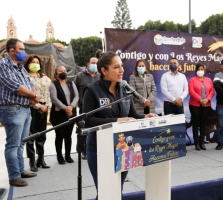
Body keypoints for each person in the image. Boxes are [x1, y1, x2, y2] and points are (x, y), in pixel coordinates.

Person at [82, 51, 157, 199]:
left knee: (117, 191)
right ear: (103, 70)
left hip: (123, 149)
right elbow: (88, 120)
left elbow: (133, 115)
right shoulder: (92, 90)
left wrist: (144, 116)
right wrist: (116, 121)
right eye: (116, 67)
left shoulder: (124, 89)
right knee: (106, 192)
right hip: (99, 149)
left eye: (121, 66)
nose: (122, 70)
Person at [0, 38, 40, 187]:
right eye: (21, 49)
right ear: (12, 50)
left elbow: (29, 84)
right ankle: (14, 176)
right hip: (12, 109)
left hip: (25, 109)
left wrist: (34, 94)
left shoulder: (20, 67)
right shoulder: (2, 66)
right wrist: (33, 96)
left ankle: (20, 170)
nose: (24, 52)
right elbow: (16, 87)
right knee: (13, 145)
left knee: (20, 143)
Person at [24, 55, 52, 171]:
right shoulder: (25, 77)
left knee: (41, 135)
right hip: (31, 109)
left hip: (44, 109)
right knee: (31, 136)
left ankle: (41, 159)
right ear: (28, 64)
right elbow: (26, 95)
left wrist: (46, 106)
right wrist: (39, 106)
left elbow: (48, 92)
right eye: (33, 62)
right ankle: (32, 161)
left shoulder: (44, 77)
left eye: (37, 62)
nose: (35, 64)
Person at [49, 66, 79, 164]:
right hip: (58, 115)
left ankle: (68, 155)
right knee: (60, 135)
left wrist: (71, 106)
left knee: (68, 135)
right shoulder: (53, 85)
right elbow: (54, 99)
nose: (63, 72)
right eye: (60, 71)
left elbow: (76, 96)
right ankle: (59, 156)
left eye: (64, 71)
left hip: (71, 113)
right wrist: (65, 108)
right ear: (56, 74)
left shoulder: (71, 83)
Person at [74, 57, 100, 159]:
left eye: (96, 63)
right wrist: (77, 102)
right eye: (93, 63)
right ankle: (83, 151)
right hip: (83, 108)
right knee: (83, 130)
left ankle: (93, 150)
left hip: (97, 109)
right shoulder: (80, 76)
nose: (95, 65)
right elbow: (74, 89)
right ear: (88, 64)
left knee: (94, 130)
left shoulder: (100, 76)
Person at [188, 63, 215, 150]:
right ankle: (196, 143)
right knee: (196, 124)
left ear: (204, 70)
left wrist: (207, 99)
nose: (200, 71)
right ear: (196, 70)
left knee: (203, 124)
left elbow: (212, 91)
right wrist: (200, 100)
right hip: (195, 105)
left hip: (207, 105)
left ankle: (202, 142)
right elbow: (191, 91)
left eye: (202, 69)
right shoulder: (192, 80)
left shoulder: (208, 80)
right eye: (199, 69)